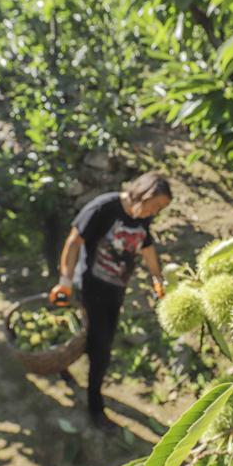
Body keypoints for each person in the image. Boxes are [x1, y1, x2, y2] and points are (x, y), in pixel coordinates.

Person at [50, 172, 172, 431]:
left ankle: (61, 362)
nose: (156, 211)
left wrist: (157, 278)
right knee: (101, 350)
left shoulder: (142, 217)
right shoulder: (104, 207)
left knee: (88, 339)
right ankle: (95, 407)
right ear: (145, 194)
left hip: (115, 291)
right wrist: (65, 281)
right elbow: (74, 241)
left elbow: (147, 248)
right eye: (157, 205)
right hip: (89, 287)